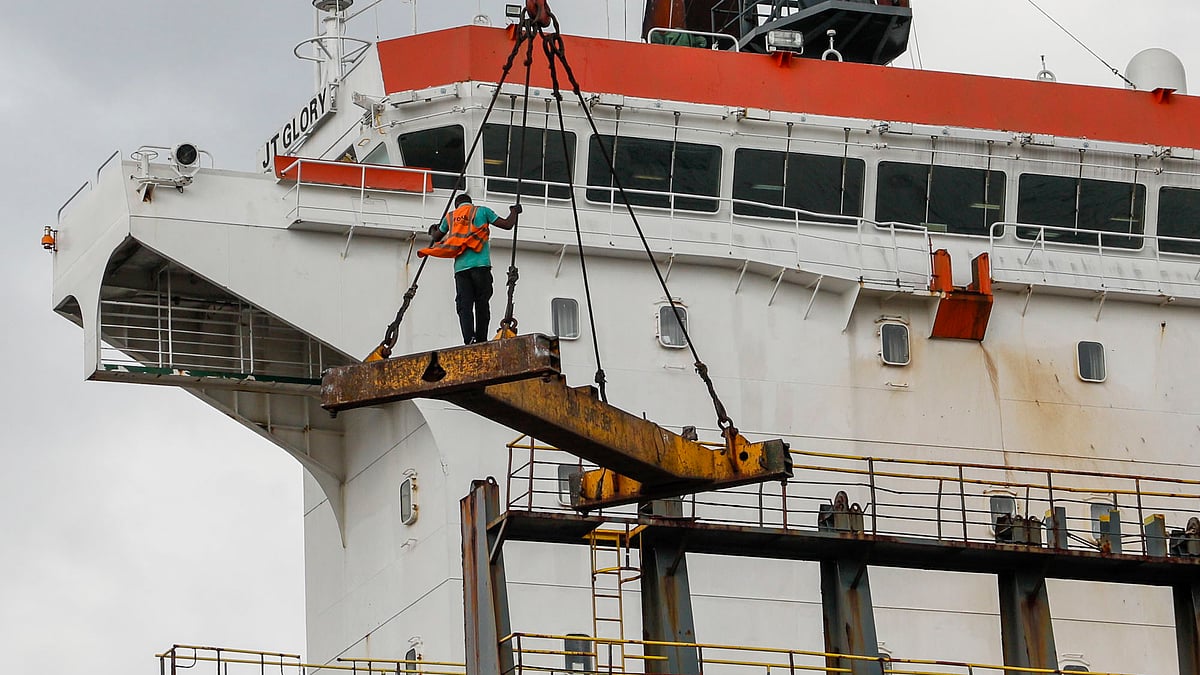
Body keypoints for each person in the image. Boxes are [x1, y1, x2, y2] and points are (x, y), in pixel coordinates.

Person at [418, 193, 520, 344]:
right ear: (470, 203)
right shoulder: (482, 211)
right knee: (482, 304)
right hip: (481, 266)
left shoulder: (450, 217)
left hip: (461, 269)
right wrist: (514, 211)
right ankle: (481, 339)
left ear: (456, 205)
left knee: (464, 306)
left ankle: (469, 339)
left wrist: (432, 230)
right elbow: (507, 225)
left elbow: (437, 237)